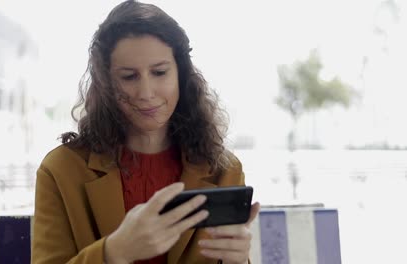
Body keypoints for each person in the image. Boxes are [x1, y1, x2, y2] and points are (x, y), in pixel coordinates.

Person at [31, 1, 260, 263]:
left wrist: (238, 260)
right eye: (129, 77)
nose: (146, 93)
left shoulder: (225, 169)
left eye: (160, 72)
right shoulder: (61, 170)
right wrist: (113, 252)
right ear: (106, 83)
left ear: (181, 74)